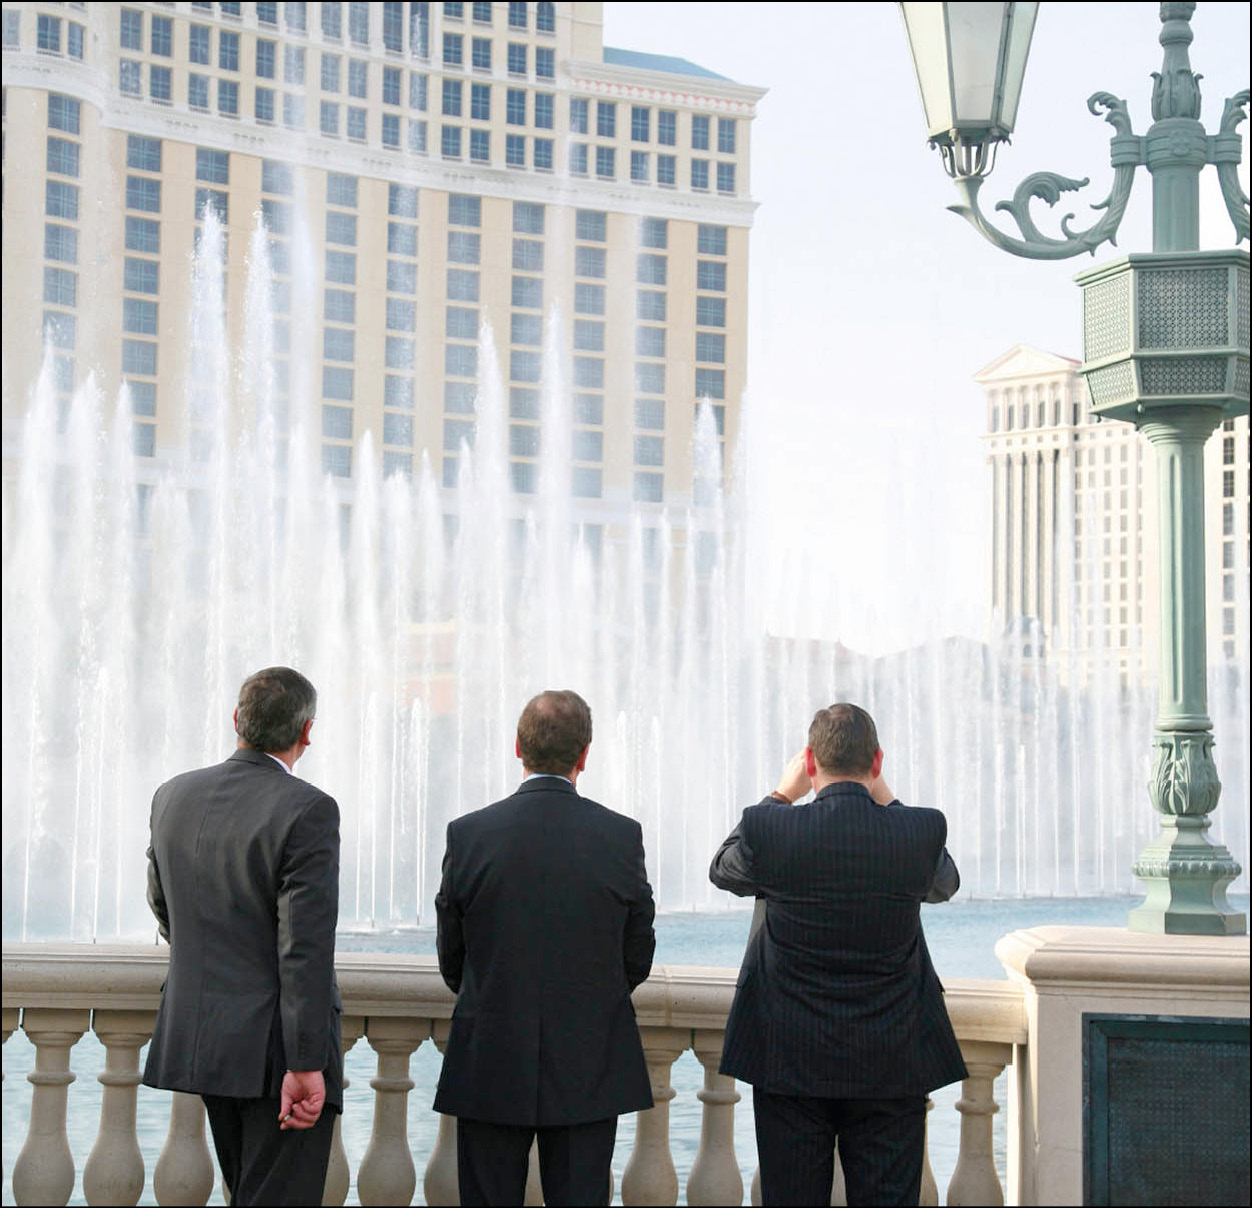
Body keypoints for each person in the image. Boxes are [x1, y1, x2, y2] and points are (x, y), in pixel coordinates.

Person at [709, 702, 967, 1207]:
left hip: (790, 1059)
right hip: (891, 1061)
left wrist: (781, 794)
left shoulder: (770, 827)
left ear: (809, 762)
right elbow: (945, 883)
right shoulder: (918, 830)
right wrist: (886, 796)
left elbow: (724, 869)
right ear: (877, 762)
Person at [434, 689, 656, 1207]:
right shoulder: (621, 836)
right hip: (589, 1059)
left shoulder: (469, 834)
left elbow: (452, 956)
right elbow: (637, 953)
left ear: (517, 747)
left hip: (490, 1053)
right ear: (585, 755)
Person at [142, 667, 342, 1207]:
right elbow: (304, 944)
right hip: (278, 1051)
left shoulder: (171, 796)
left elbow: (165, 908)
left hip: (205, 1040)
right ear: (306, 733)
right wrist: (305, 1063)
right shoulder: (309, 809)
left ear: (237, 720)